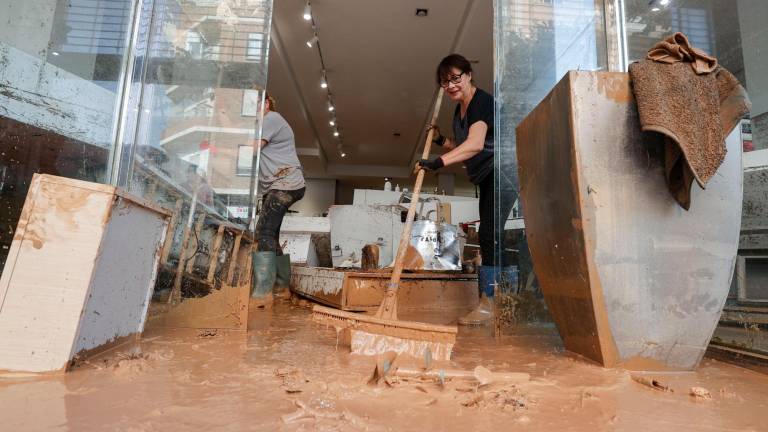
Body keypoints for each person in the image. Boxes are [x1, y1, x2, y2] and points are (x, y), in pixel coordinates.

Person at [417, 54, 513, 325]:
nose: (450, 85)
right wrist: (440, 140)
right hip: (486, 175)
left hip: (503, 170)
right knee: (489, 235)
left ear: (469, 75)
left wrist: (437, 163)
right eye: (444, 82)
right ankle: (500, 302)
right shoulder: (458, 110)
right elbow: (460, 144)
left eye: (455, 78)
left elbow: (475, 145)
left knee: (490, 234)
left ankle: (494, 304)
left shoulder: (481, 102)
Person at [251, 93, 306, 306]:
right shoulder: (264, 124)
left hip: (287, 184)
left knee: (263, 232)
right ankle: (282, 288)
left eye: (253, 105)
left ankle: (263, 291)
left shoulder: (271, 118)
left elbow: (254, 149)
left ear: (265, 104)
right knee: (271, 234)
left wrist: (221, 148)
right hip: (282, 184)